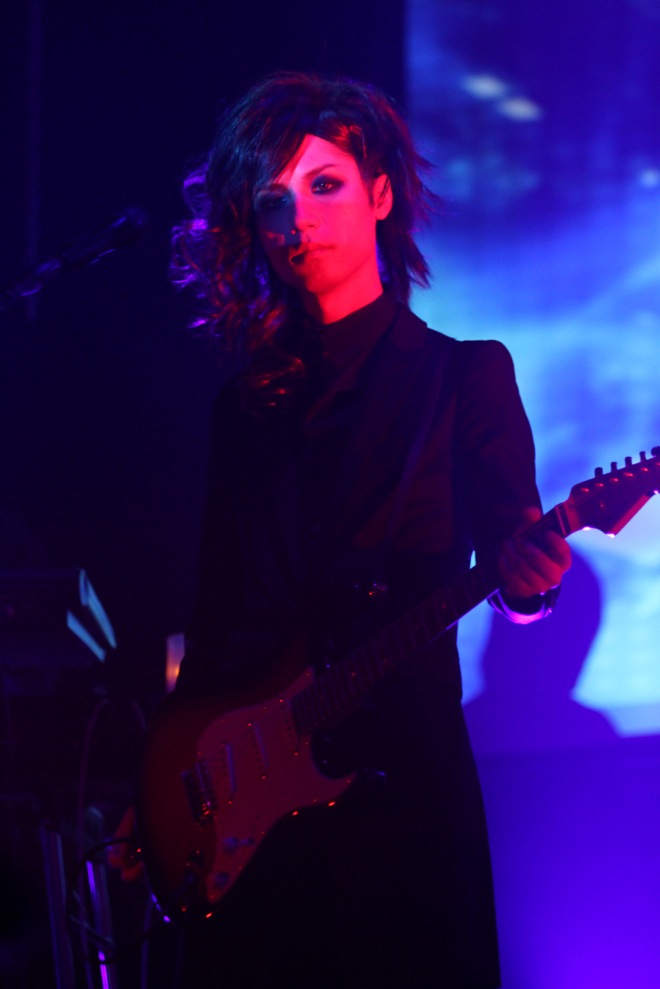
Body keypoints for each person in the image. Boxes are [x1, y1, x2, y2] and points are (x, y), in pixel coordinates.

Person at [127, 71, 571, 988]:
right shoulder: (243, 410)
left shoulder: (463, 378)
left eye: (324, 184)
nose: (298, 218)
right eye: (273, 199)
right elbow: (214, 622)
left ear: (379, 196)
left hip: (400, 794)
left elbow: (516, 552)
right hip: (252, 809)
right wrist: (166, 785)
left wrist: (533, 581)